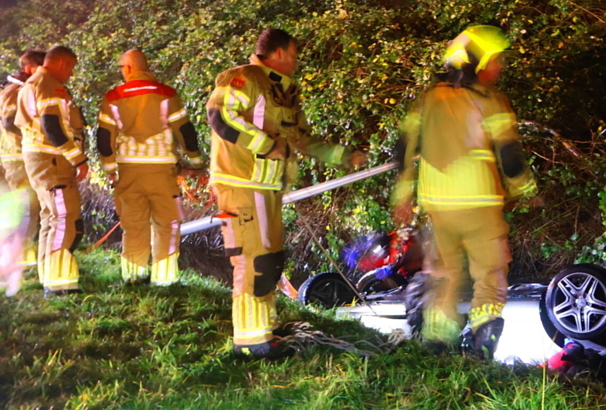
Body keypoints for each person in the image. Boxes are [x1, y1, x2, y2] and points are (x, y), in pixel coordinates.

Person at [206, 28, 365, 359]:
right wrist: (265, 145)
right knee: (255, 261)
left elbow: (301, 140)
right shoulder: (243, 78)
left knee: (272, 260)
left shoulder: (286, 91)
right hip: (241, 185)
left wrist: (345, 156)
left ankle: (264, 331)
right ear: (275, 53)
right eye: (292, 54)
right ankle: (250, 343)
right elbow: (219, 116)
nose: (296, 61)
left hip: (270, 188)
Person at [392, 25, 537, 360]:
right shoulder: (492, 101)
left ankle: (438, 345)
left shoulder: (427, 100)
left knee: (444, 274)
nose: (499, 67)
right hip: (480, 204)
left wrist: (402, 198)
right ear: (478, 62)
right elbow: (511, 156)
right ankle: (482, 341)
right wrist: (526, 188)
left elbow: (402, 149)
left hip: (439, 207)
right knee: (490, 272)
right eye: (496, 60)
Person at [96, 49, 205, 285]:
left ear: (128, 69)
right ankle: (164, 279)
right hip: (162, 171)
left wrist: (109, 169)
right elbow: (186, 132)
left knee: (134, 225)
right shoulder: (167, 94)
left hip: (128, 171)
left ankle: (133, 276)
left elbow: (104, 139)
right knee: (166, 224)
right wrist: (196, 163)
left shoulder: (113, 97)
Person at [14, 46, 88, 296]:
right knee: (65, 219)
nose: (70, 75)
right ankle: (58, 284)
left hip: (41, 161)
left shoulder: (31, 84)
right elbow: (52, 126)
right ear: (63, 63)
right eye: (71, 69)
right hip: (52, 161)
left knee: (51, 218)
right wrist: (78, 159)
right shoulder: (49, 85)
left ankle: (51, 277)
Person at [0, 49, 45, 270]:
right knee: (26, 208)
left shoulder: (25, 88)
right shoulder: (15, 90)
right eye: (41, 66)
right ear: (30, 68)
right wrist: (38, 134)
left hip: (18, 156)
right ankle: (21, 259)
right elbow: (9, 121)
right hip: (17, 157)